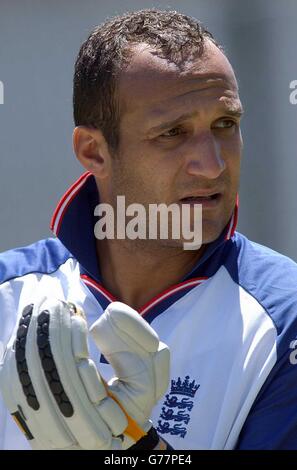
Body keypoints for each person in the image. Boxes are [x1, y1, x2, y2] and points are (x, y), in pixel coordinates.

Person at [1, 8, 297, 450]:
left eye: (225, 125)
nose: (212, 165)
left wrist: (138, 451)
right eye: (173, 133)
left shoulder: (286, 318)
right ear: (93, 151)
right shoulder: (8, 294)